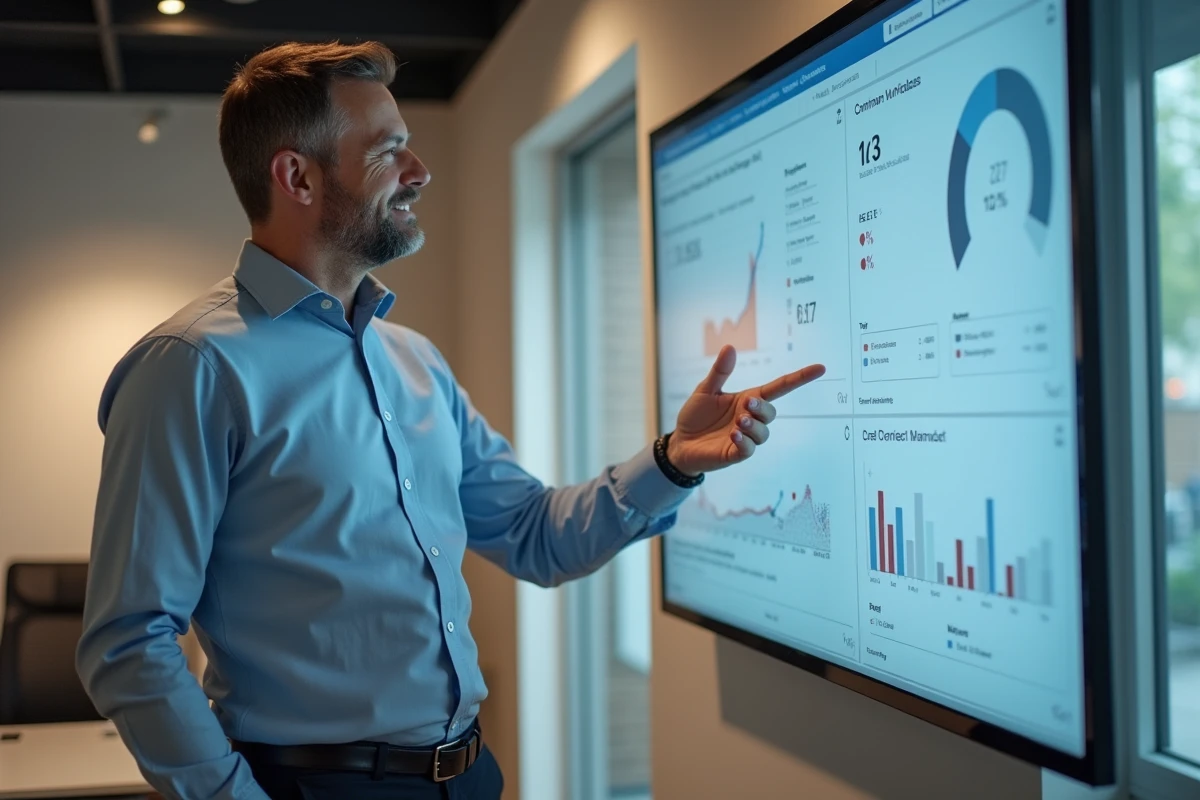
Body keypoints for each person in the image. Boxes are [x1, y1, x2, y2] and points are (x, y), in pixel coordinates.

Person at [76, 41, 825, 800]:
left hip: (469, 777)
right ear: (297, 176)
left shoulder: (414, 361)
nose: (419, 170)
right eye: (387, 150)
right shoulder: (191, 367)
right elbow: (130, 641)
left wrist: (671, 460)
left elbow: (536, 535)